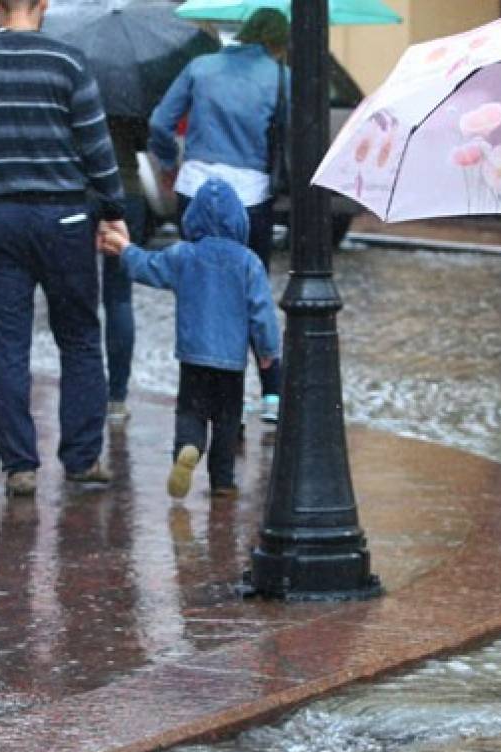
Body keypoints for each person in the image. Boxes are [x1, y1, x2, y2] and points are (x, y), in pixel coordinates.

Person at [0, 0, 128, 498]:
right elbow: (96, 145)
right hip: (65, 215)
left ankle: (20, 465)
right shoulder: (68, 63)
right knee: (80, 337)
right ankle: (83, 457)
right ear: (43, 5)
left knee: (5, 345)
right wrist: (112, 207)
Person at [148, 8, 290, 425]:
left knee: (200, 289)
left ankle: (203, 398)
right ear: (277, 41)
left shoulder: (200, 67)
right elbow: (294, 131)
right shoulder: (280, 77)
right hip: (250, 195)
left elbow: (160, 121)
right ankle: (270, 394)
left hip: (195, 188)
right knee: (252, 290)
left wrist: (169, 161)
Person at [99, 179, 280, 499]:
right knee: (227, 418)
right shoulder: (248, 262)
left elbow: (148, 267)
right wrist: (268, 352)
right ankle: (223, 481)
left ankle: (188, 448)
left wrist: (125, 249)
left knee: (191, 411)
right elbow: (262, 312)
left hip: (193, 355)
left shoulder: (184, 255)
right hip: (231, 361)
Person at [100, 116, 151, 426]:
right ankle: (116, 397)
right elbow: (147, 140)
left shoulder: (74, 78)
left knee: (76, 301)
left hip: (77, 194)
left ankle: (86, 392)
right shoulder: (128, 92)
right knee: (119, 299)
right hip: (125, 191)